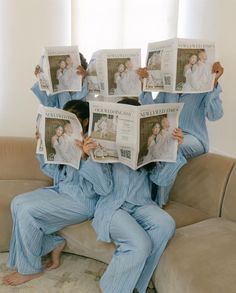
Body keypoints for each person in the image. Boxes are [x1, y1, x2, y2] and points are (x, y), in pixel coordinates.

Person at [2, 100, 112, 286]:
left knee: (27, 210)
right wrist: (42, 146)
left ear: (84, 122)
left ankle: (30, 269)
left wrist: (85, 158)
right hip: (61, 192)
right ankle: (53, 243)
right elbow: (54, 172)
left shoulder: (95, 144)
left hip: (82, 202)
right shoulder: (66, 139)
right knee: (17, 202)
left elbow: (104, 188)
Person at [82, 98, 184, 293]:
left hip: (141, 204)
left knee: (166, 223)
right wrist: (90, 157)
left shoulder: (149, 145)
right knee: (140, 244)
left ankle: (135, 284)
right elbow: (103, 189)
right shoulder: (104, 144)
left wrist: (174, 151)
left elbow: (161, 181)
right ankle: (111, 289)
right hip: (113, 207)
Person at [138, 61, 224, 207]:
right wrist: (144, 86)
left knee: (171, 147)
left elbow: (215, 115)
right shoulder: (168, 88)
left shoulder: (203, 88)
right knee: (149, 144)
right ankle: (142, 198)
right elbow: (151, 110)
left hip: (195, 138)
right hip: (170, 135)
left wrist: (214, 83)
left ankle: (158, 203)